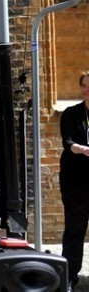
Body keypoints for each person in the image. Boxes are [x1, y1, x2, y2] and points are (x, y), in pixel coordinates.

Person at [59, 71, 89, 291]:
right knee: (74, 229)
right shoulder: (71, 113)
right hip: (76, 181)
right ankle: (69, 276)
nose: (87, 89)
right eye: (84, 85)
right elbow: (67, 141)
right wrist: (81, 149)